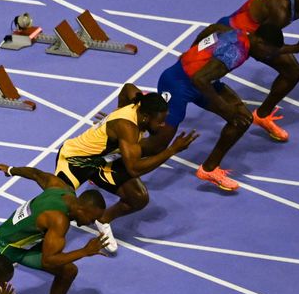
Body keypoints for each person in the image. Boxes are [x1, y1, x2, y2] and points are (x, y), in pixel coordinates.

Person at [141, 22, 299, 190]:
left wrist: (296, 48)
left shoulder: (239, 34)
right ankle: (120, 144)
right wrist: (224, 107)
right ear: (260, 42)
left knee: (242, 119)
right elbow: (199, 80)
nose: (270, 57)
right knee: (157, 146)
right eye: (269, 53)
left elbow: (212, 29)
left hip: (204, 82)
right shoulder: (235, 52)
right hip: (178, 85)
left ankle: (208, 170)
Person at [47, 92, 198, 253]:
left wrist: (114, 119)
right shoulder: (127, 127)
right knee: (58, 205)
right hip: (75, 160)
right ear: (146, 117)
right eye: (160, 121)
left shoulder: (137, 101)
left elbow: (127, 88)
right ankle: (38, 241)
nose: (163, 125)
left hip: (103, 161)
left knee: (138, 198)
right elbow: (134, 168)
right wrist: (171, 150)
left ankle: (103, 219)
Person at [217, 0, 299, 142]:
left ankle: (262, 115)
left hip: (254, 35)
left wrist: (257, 3)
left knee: (293, 72)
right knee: (201, 80)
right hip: (233, 37)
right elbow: (264, 50)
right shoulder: (280, 14)